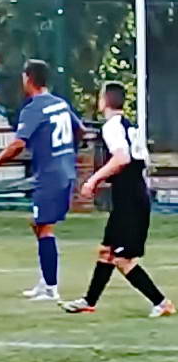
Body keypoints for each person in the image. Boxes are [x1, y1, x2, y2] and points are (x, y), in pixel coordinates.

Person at [61, 82, 175, 317]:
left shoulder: (112, 126)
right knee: (106, 252)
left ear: (105, 100)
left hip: (131, 200)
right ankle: (88, 301)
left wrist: (93, 180)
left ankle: (162, 303)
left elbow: (122, 158)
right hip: (130, 197)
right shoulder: (128, 126)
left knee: (123, 259)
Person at [0, 59, 84, 302]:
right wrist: (67, 154)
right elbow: (80, 130)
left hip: (50, 176)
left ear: (28, 79)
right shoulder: (60, 104)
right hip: (64, 171)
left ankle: (50, 289)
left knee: (44, 228)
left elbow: (18, 144)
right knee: (38, 224)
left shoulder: (34, 108)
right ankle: (46, 280)